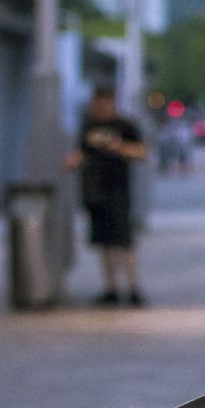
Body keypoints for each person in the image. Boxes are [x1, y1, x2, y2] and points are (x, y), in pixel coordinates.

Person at [67, 84, 147, 305]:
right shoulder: (88, 126)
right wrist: (73, 161)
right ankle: (111, 288)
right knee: (103, 243)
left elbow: (141, 152)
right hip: (94, 191)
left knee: (124, 241)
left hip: (118, 190)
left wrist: (119, 148)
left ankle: (133, 287)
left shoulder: (124, 126)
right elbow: (82, 152)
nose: (99, 107)